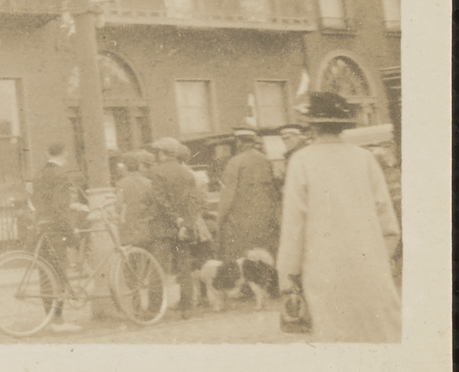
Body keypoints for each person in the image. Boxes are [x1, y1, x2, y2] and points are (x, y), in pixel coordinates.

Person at [276, 92, 401, 342]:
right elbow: (388, 223)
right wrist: (380, 257)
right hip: (370, 268)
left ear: (311, 125)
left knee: (337, 343)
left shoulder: (302, 161)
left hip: (323, 271)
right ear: (344, 126)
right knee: (380, 338)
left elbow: (294, 227)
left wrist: (288, 279)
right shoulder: (365, 158)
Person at [146, 137, 202, 319]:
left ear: (163, 153)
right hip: (183, 229)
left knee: (158, 268)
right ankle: (187, 308)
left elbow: (159, 200)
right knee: (184, 267)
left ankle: (154, 309)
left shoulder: (156, 171)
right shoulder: (187, 173)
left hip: (163, 228)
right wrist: (187, 223)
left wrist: (175, 219)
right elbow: (194, 201)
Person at [31, 144, 83, 332]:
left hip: (41, 226)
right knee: (59, 274)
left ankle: (50, 318)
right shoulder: (61, 175)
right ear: (65, 153)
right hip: (55, 229)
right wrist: (72, 232)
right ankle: (58, 321)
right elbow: (60, 207)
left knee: (46, 275)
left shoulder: (39, 173)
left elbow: (38, 201)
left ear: (47, 153)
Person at [217, 128, 281, 260]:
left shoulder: (235, 162)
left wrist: (220, 219)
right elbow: (274, 193)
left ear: (239, 142)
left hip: (242, 224)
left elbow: (227, 196)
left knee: (244, 261)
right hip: (266, 222)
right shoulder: (266, 160)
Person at [114, 151, 152, 249]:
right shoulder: (148, 182)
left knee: (131, 256)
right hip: (148, 225)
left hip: (131, 226)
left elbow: (118, 206)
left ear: (125, 167)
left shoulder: (122, 184)